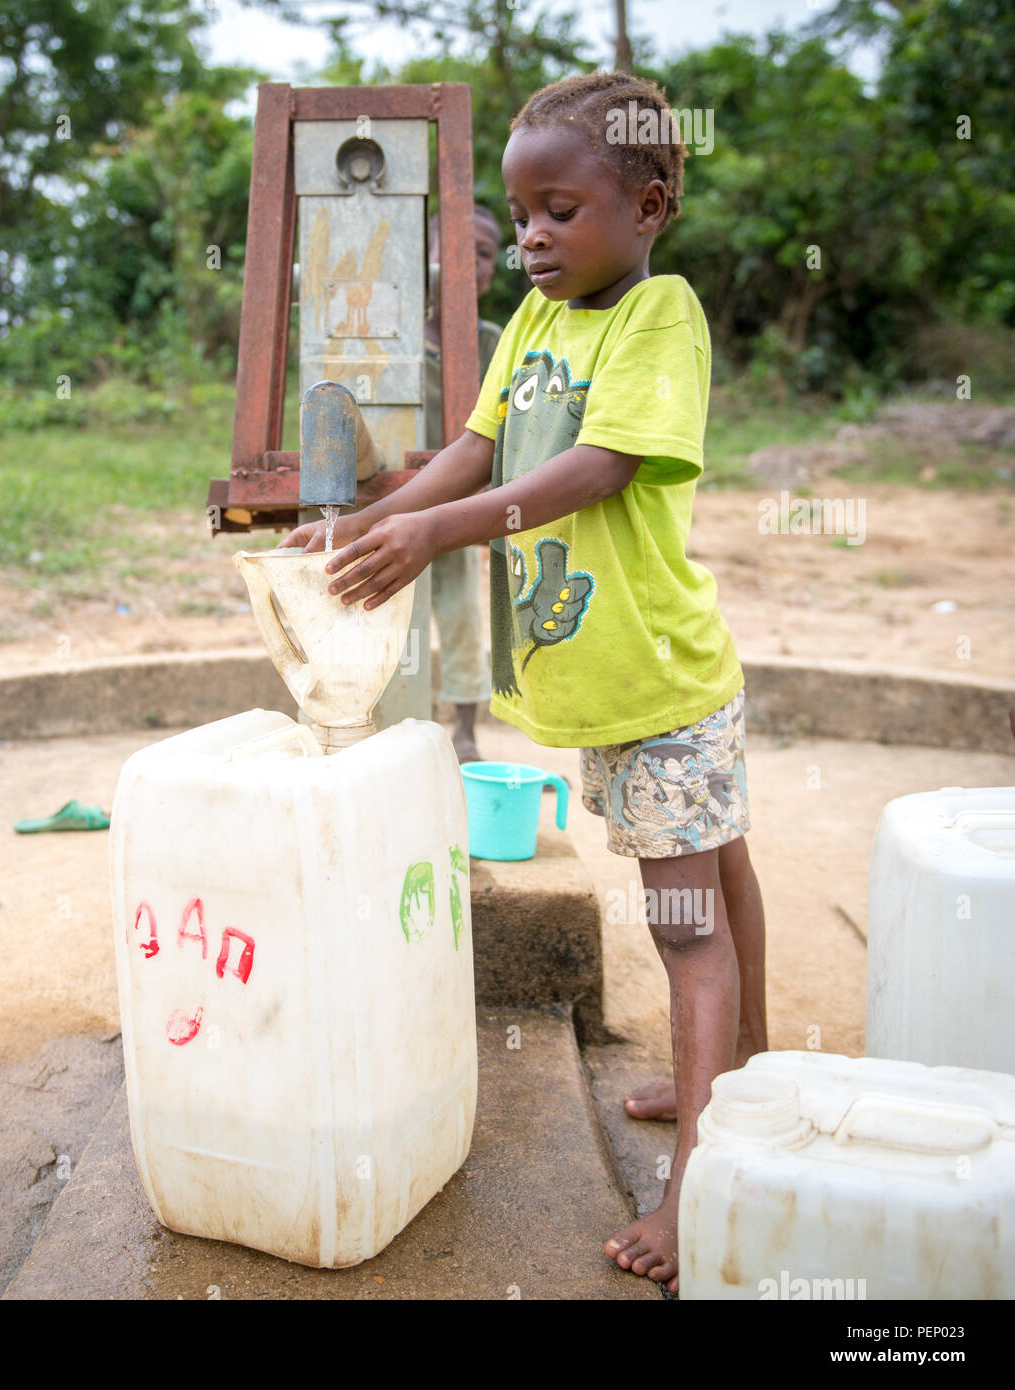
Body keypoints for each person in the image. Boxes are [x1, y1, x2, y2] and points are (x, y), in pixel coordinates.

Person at [279, 70, 768, 1294]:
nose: (533, 239)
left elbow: (600, 467)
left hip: (657, 674)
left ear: (648, 204)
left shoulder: (657, 317)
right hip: (606, 675)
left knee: (685, 927)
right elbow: (479, 444)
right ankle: (741, 1074)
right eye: (522, 215)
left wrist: (444, 537)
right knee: (722, 857)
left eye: (561, 211)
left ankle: (699, 1173)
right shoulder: (542, 328)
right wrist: (367, 518)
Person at [426, 206, 503, 762]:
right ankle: (404, 720)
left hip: (458, 500)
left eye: (482, 253)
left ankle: (466, 730)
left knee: (462, 613)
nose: (465, 262)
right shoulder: (394, 336)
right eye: (451, 246)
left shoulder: (494, 341)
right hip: (393, 494)